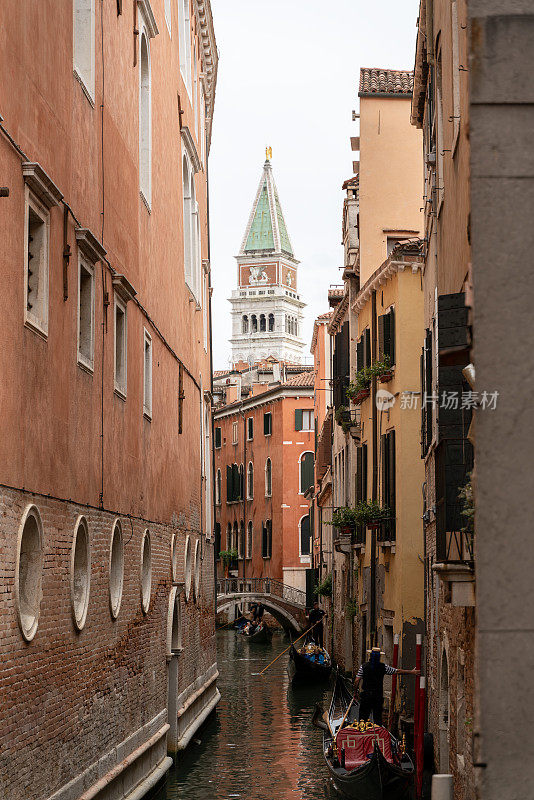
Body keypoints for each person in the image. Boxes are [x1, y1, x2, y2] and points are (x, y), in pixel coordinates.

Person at [353, 647, 419, 726]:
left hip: (366, 696)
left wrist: (355, 692)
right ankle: (378, 734)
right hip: (378, 696)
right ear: (379, 657)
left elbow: (357, 680)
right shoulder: (383, 667)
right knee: (377, 718)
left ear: (370, 656)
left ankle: (362, 733)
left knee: (363, 718)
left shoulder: (363, 667)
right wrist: (411, 672)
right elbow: (397, 671)